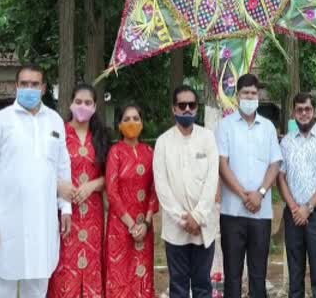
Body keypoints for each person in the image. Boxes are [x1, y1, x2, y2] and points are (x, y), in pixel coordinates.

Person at [0, 64, 73, 298]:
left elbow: (62, 166)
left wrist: (66, 207)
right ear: (16, 86)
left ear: (43, 88)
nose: (29, 89)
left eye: (34, 84)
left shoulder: (54, 121)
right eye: (24, 84)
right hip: (6, 222)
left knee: (37, 288)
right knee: (3, 286)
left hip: (43, 221)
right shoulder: (0, 121)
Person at [216, 74, 282, 298]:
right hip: (232, 213)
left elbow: (275, 163)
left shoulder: (269, 128)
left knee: (258, 275)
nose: (250, 97)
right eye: (245, 93)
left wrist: (260, 194)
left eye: (253, 93)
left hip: (261, 215)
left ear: (258, 96)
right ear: (237, 97)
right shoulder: (224, 126)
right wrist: (244, 195)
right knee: (232, 276)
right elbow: (222, 164)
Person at [154, 86, 219, 298]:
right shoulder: (163, 142)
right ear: (174, 109)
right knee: (178, 286)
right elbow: (161, 186)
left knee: (202, 286)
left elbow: (212, 180)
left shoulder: (208, 138)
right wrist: (183, 219)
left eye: (192, 105)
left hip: (203, 226)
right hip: (176, 228)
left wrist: (198, 216)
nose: (188, 110)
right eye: (182, 105)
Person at [49, 84, 111, 298]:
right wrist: (61, 186)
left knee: (92, 266)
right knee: (64, 267)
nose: (82, 106)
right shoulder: (58, 134)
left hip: (93, 213)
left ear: (95, 106)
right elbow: (47, 169)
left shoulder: (101, 136)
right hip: (64, 212)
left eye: (88, 103)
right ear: (70, 104)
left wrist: (92, 185)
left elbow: (110, 176)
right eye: (78, 102)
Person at [278, 92, 316, 298]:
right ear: (294, 112)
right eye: (299, 109)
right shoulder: (286, 142)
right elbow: (281, 177)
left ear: (314, 111)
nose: (303, 113)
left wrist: (309, 207)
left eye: (307, 109)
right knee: (295, 273)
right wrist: (295, 208)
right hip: (293, 214)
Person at [105, 104, 159, 298]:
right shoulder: (115, 152)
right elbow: (112, 192)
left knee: (143, 275)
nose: (131, 123)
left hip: (145, 225)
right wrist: (131, 225)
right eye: (126, 119)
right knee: (120, 276)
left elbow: (155, 189)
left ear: (142, 124)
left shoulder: (150, 152)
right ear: (119, 125)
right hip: (120, 226)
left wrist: (145, 223)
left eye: (136, 118)